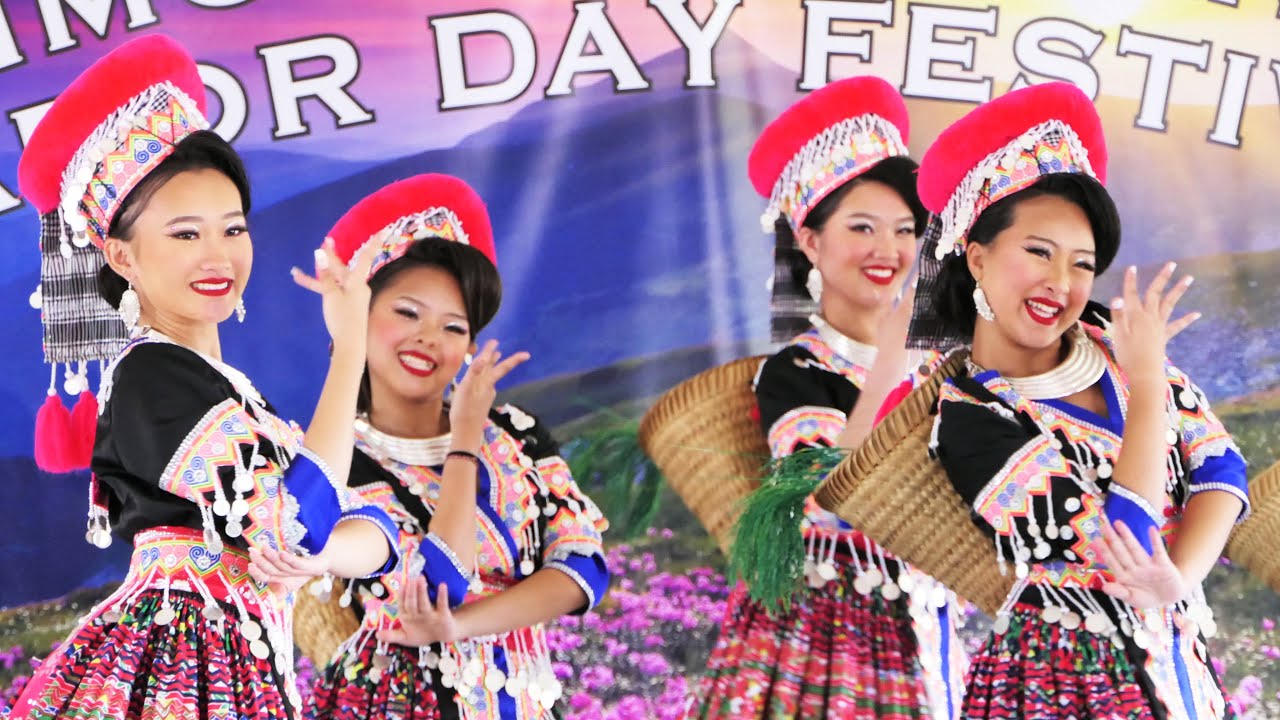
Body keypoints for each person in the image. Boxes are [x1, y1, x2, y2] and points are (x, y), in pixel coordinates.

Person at [10, 35, 398, 719]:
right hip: (182, 672)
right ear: (123, 256)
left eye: (233, 229)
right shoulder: (151, 378)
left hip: (236, 665)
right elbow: (302, 522)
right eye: (186, 234)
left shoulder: (230, 393)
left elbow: (369, 533)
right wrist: (347, 354)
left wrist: (322, 547)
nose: (218, 255)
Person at [910, 80, 1247, 718]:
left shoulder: (1116, 347)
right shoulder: (967, 415)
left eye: (1083, 264)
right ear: (976, 257)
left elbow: (1220, 466)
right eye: (1038, 252)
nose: (1060, 284)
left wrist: (1180, 581)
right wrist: (1148, 390)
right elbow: (1125, 543)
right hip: (1058, 685)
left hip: (1182, 674)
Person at [692, 76, 963, 720]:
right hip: (823, 641)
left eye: (904, 230)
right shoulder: (795, 370)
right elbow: (825, 490)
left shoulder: (947, 371)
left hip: (928, 624)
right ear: (811, 241)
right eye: (862, 227)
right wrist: (889, 368)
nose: (888, 250)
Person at [305, 174, 610, 720]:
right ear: (359, 316)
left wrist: (463, 625)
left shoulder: (515, 433)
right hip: (402, 701)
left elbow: (583, 566)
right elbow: (437, 581)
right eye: (406, 313)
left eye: (453, 326)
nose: (429, 339)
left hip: (524, 696)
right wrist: (465, 442)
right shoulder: (340, 458)